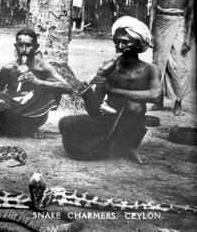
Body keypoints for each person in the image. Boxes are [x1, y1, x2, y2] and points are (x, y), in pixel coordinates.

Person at [59, 16, 161, 165]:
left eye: (125, 42)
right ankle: (111, 146)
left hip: (130, 124)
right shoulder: (108, 69)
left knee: (135, 106)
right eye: (117, 42)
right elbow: (94, 112)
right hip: (105, 121)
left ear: (139, 44)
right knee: (65, 123)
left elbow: (155, 95)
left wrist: (112, 90)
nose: (120, 46)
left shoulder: (151, 70)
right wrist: (88, 96)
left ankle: (129, 147)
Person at [0, 28, 73, 138]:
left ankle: (30, 127)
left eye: (28, 45)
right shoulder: (8, 67)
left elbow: (69, 88)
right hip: (13, 111)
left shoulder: (43, 67)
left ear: (36, 47)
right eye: (20, 45)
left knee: (52, 83)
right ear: (16, 46)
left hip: (35, 114)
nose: (24, 49)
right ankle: (15, 128)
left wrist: (37, 82)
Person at [149, 0, 194, 116]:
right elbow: (153, 7)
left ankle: (178, 103)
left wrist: (188, 37)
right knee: (158, 63)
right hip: (161, 22)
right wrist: (150, 31)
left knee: (178, 64)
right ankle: (157, 101)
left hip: (179, 23)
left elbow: (190, 12)